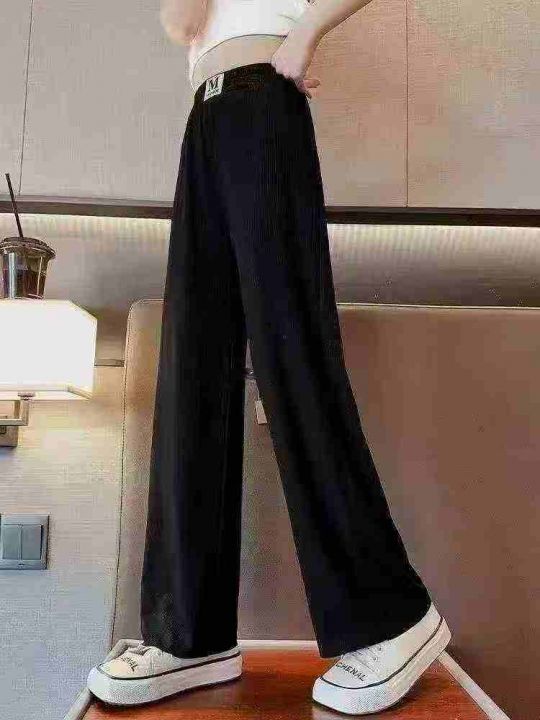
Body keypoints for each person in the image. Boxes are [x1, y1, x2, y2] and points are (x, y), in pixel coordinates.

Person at [87, 0, 451, 713]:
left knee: (293, 358)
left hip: (261, 103)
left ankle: (392, 618)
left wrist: (308, 32)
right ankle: (190, 634)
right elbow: (180, 21)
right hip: (205, 120)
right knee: (191, 371)